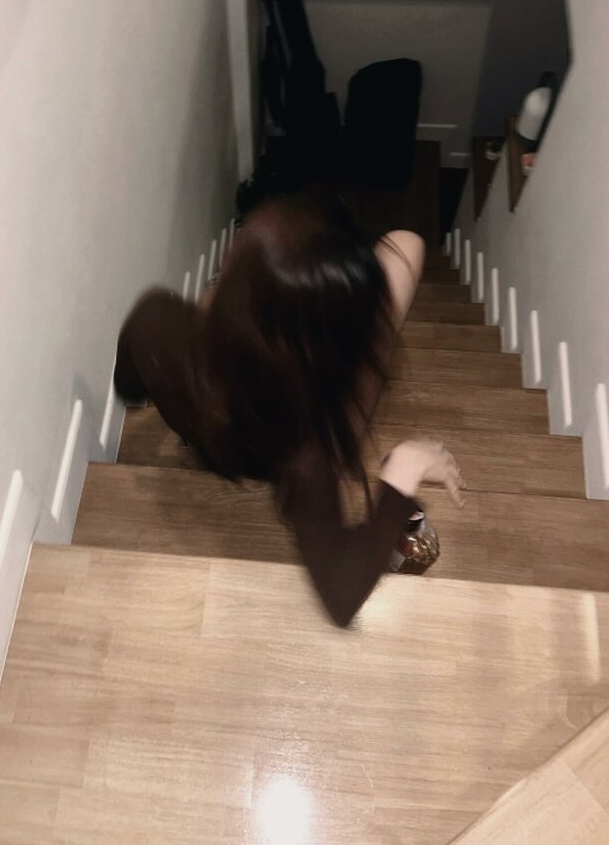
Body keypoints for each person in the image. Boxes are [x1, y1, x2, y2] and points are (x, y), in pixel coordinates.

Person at [114, 190, 465, 626]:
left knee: (404, 247)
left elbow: (128, 385)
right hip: (287, 433)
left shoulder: (157, 317)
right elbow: (341, 596)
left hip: (223, 427)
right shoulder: (307, 460)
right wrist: (401, 473)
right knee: (405, 247)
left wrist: (152, 397)